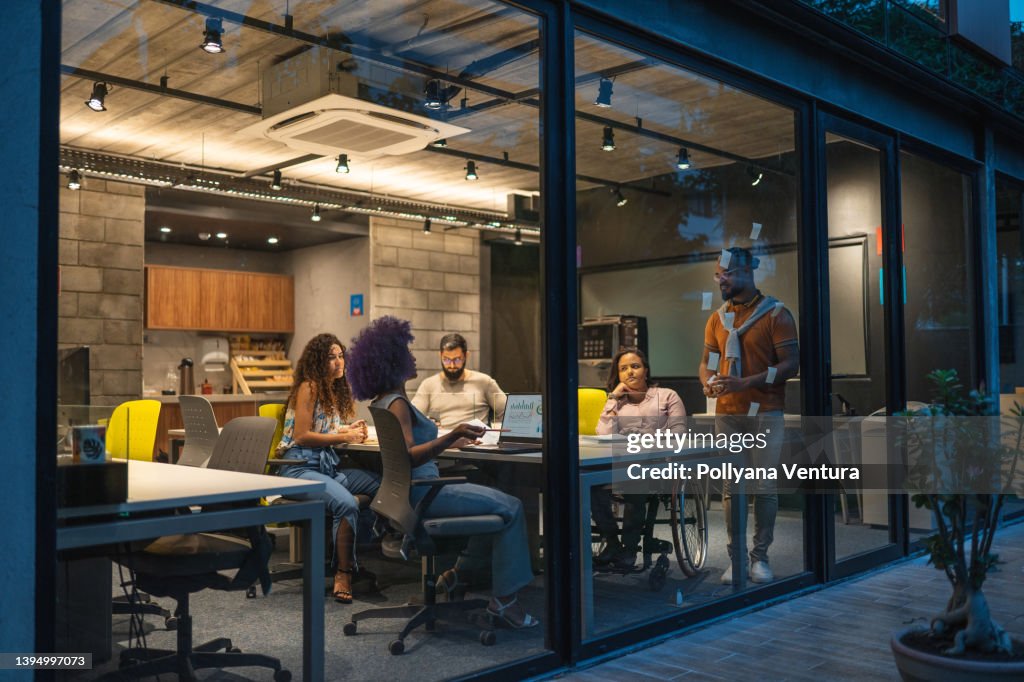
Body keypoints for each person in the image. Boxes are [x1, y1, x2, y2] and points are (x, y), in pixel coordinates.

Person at [346, 316, 539, 629]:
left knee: (491, 499)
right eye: (406, 352)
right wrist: (451, 435)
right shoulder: (397, 403)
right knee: (512, 506)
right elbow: (409, 455)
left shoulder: (385, 400)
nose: (413, 357)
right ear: (392, 361)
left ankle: (457, 575)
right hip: (426, 491)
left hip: (409, 493)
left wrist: (451, 437)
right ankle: (505, 602)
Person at [698, 247, 799, 584]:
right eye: (718, 273)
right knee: (731, 489)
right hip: (728, 414)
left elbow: (790, 366)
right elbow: (708, 362)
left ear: (746, 272)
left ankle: (761, 557)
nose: (721, 279)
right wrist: (708, 382)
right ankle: (737, 559)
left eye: (726, 272)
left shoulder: (776, 314)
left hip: (766, 412)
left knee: (765, 487)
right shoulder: (717, 318)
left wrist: (747, 382)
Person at [278, 333, 379, 604]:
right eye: (331, 357)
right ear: (318, 362)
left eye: (340, 356)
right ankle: (342, 573)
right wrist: (344, 437)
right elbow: (301, 436)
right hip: (299, 468)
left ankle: (364, 551)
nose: (338, 362)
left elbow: (325, 430)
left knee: (381, 484)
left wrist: (348, 429)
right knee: (347, 504)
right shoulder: (309, 387)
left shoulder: (330, 390)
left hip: (325, 466)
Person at [591, 348, 687, 571]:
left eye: (635, 366)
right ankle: (613, 543)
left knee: (636, 480)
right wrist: (613, 397)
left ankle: (631, 547)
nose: (630, 372)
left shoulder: (667, 395)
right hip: (623, 464)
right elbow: (603, 434)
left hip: (659, 465)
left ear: (646, 370)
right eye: (623, 369)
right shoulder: (619, 402)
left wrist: (645, 439)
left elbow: (678, 433)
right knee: (591, 485)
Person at [412, 332, 507, 427]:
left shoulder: (484, 382)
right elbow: (412, 417)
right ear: (440, 356)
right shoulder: (428, 385)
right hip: (443, 439)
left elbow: (508, 412)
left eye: (457, 360)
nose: (452, 365)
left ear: (466, 356)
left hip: (476, 439)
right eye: (446, 360)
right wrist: (428, 423)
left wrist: (495, 431)